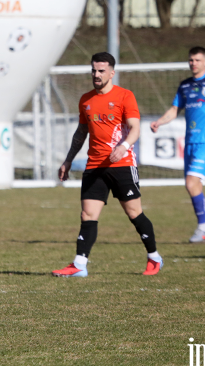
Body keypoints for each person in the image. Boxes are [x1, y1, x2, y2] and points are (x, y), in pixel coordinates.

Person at [53, 52, 163, 277]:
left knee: (134, 213)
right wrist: (68, 159)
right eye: (94, 70)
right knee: (87, 215)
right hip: (94, 166)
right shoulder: (85, 100)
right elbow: (81, 132)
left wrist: (123, 147)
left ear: (112, 73)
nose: (96, 74)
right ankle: (79, 265)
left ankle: (154, 256)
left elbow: (134, 128)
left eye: (101, 71)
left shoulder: (125, 96)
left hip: (122, 164)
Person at [150, 46, 205, 243]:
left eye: (198, 60)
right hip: (190, 142)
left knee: (191, 182)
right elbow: (175, 110)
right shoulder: (185, 86)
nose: (194, 63)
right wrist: (159, 122)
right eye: (191, 60)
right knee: (193, 185)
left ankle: (203, 227)